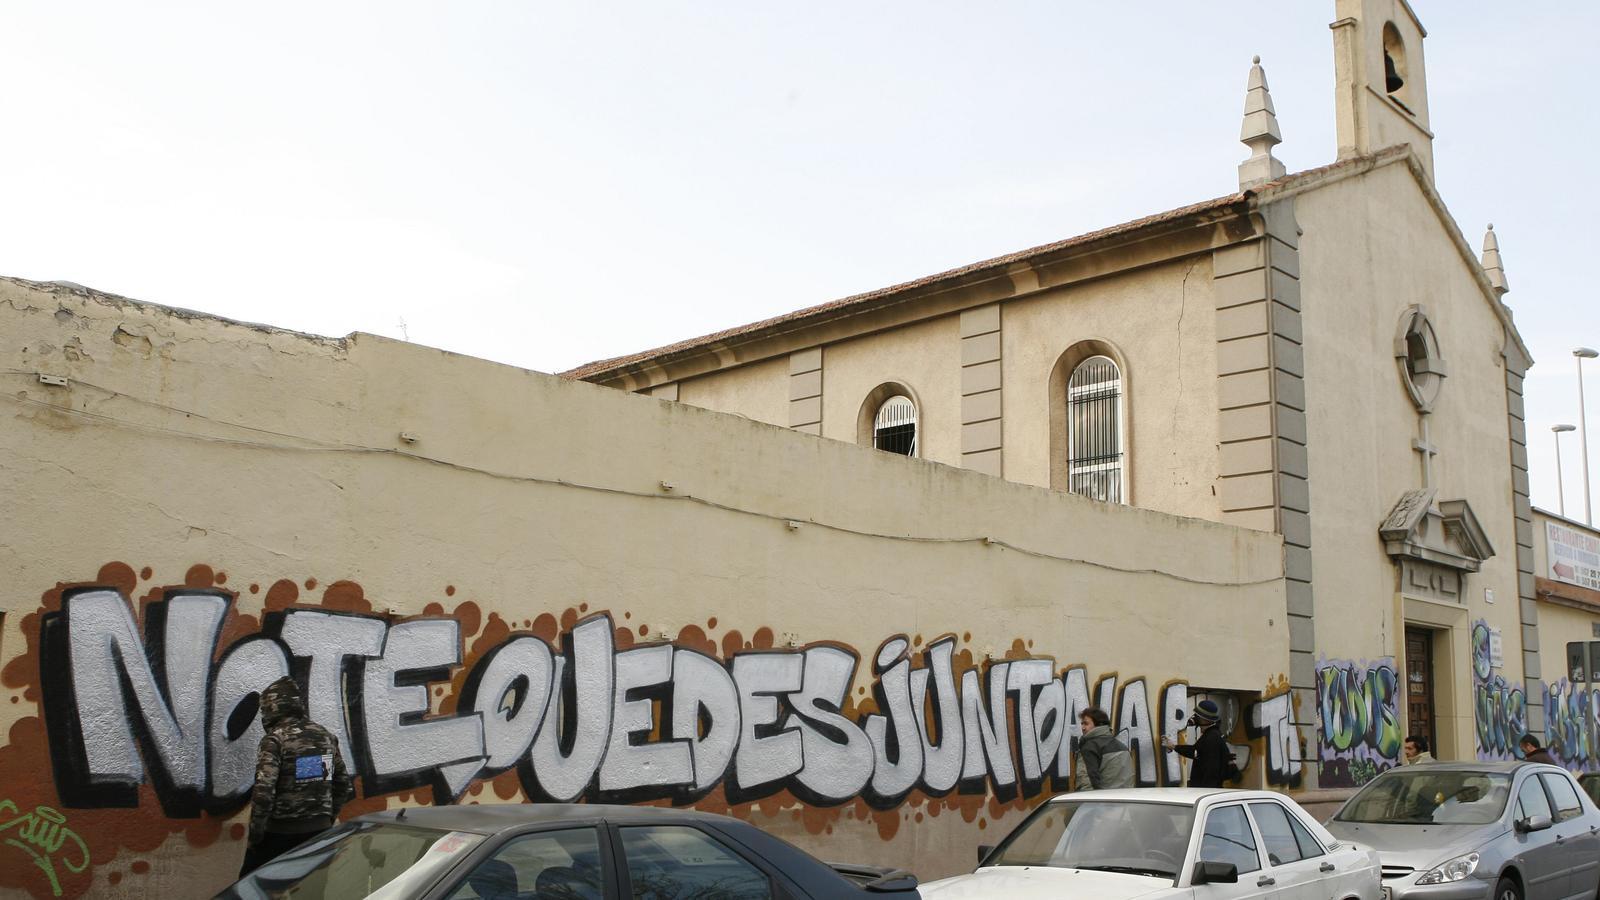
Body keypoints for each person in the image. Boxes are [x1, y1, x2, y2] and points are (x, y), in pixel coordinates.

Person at [240, 676, 354, 877]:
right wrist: (327, 818)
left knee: (250, 887)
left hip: (279, 835)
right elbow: (342, 784)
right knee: (311, 890)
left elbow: (264, 792)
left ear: (271, 709)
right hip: (318, 834)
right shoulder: (325, 736)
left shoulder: (275, 740)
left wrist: (256, 836)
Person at [1160, 700, 1234, 788]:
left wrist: (1174, 746)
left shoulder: (1211, 737)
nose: (1194, 718)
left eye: (1197, 716)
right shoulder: (1214, 734)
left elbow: (1195, 751)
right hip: (1208, 787)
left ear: (1203, 719)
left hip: (1207, 788)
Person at [1074, 707, 1135, 790]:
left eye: (1086, 723)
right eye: (1082, 724)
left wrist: (1086, 801)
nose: (1083, 727)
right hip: (1125, 800)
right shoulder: (1122, 747)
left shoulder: (1089, 747)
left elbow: (1085, 783)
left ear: (1099, 724)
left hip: (1102, 801)